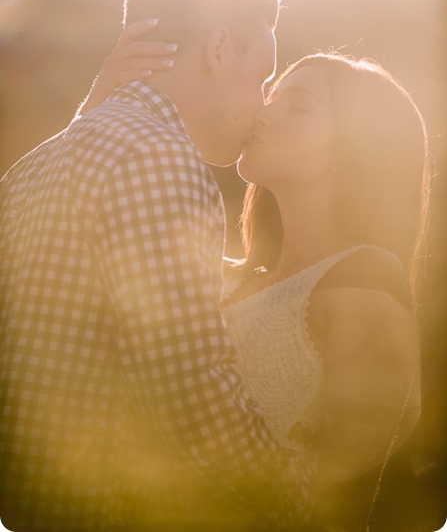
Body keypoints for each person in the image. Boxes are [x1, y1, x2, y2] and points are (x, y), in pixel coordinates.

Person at [0, 0, 290, 532]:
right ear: (216, 48)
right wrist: (297, 501)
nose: (262, 105)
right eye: (261, 76)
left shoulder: (31, 166)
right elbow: (191, 391)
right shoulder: (158, 157)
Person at [85, 43, 432, 531]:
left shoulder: (367, 279)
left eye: (298, 107)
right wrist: (103, 110)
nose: (263, 113)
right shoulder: (224, 273)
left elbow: (341, 505)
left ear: (354, 150)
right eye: (271, 95)